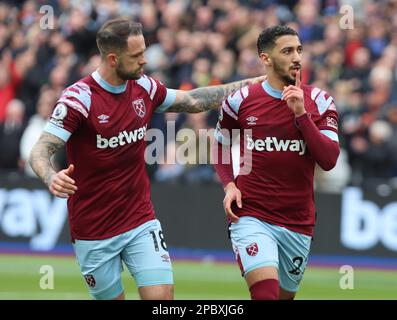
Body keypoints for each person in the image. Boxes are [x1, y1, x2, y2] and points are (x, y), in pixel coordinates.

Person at [28, 18, 263, 300]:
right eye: (137, 56)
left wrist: (253, 84)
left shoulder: (145, 88)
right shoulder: (78, 99)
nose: (145, 61)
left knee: (161, 300)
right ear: (113, 59)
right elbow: (40, 150)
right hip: (93, 229)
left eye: (145, 53)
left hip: (139, 220)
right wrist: (51, 176)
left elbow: (193, 101)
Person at [212, 25, 340, 300]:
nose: (296, 57)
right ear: (266, 59)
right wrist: (229, 185)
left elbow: (329, 159)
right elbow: (220, 145)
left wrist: (301, 115)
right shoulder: (240, 101)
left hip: (298, 221)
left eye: (299, 50)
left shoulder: (319, 100)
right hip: (252, 215)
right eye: (287, 51)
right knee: (265, 295)